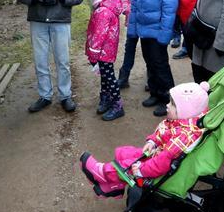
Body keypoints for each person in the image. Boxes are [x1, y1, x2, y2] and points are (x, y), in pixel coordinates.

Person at [79, 81, 209, 197]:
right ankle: (116, 186)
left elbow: (162, 163)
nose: (167, 105)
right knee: (126, 153)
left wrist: (141, 170)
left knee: (127, 166)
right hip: (156, 153)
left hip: (154, 165)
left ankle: (102, 172)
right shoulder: (182, 121)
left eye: (173, 104)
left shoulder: (183, 137)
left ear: (185, 111)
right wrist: (153, 141)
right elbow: (163, 130)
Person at [13, 0, 86, 113]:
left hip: (60, 20)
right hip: (38, 19)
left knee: (63, 61)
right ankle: (45, 96)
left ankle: (65, 96)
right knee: (40, 61)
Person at [127, 0, 178, 117]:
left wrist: (165, 32)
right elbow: (135, 2)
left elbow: (169, 5)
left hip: (157, 30)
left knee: (160, 64)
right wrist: (133, 28)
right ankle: (156, 93)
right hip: (144, 29)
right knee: (150, 62)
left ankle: (168, 99)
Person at [86, 0, 126, 121]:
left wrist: (93, 55)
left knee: (109, 78)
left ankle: (117, 105)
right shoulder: (107, 6)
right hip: (107, 51)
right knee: (105, 76)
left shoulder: (102, 11)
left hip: (102, 52)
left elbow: (98, 35)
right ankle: (106, 98)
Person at [117, 0, 143, 89]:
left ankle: (152, 78)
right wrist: (125, 6)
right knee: (129, 47)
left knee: (149, 50)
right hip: (132, 17)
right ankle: (124, 76)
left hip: (145, 18)